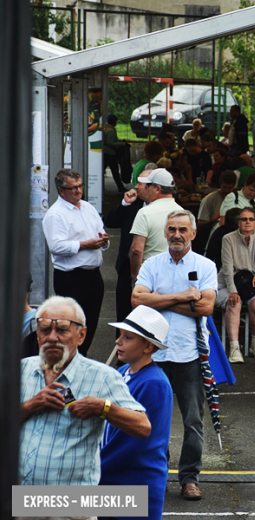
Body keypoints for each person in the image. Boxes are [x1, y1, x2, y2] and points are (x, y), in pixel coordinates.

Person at [131, 210, 218, 500]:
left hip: (190, 355)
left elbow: (206, 307)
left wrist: (159, 302)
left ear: (193, 233)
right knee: (153, 420)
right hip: (154, 356)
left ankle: (189, 478)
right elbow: (136, 300)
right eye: (172, 229)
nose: (177, 234)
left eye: (183, 229)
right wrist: (182, 296)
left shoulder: (205, 265)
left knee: (193, 420)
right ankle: (156, 473)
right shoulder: (152, 264)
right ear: (165, 232)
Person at [20, 296, 150, 486]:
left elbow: (142, 427)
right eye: (45, 329)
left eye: (62, 330)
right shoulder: (20, 369)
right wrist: (32, 404)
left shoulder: (103, 377)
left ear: (81, 335)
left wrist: (103, 408)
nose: (52, 337)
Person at [100, 305, 174, 520]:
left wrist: (91, 468)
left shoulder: (154, 384)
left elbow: (131, 443)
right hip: (113, 478)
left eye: (128, 337)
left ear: (148, 346)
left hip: (134, 481)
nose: (118, 341)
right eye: (120, 335)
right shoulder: (121, 372)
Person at [42, 168, 109, 355]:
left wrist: (103, 241)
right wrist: (85, 245)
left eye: (80, 186)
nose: (78, 191)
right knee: (71, 326)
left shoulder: (88, 207)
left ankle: (82, 358)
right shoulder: (56, 214)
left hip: (94, 275)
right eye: (73, 188)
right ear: (61, 190)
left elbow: (100, 232)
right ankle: (69, 361)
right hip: (71, 278)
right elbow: (56, 247)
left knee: (90, 324)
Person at [218, 207, 255, 363]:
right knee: (234, 303)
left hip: (249, 284)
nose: (247, 222)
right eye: (244, 219)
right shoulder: (228, 239)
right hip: (227, 283)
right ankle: (234, 348)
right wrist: (232, 291)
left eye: (251, 219)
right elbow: (227, 269)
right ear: (239, 222)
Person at [104, 171, 149, 326]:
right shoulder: (133, 203)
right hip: (126, 267)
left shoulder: (164, 209)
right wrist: (124, 203)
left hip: (149, 269)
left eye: (140, 183)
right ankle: (122, 348)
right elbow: (110, 222)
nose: (135, 186)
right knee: (124, 315)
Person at [129, 168, 184, 281]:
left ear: (157, 189)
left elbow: (136, 250)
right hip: (176, 274)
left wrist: (135, 275)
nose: (144, 188)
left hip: (151, 275)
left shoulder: (145, 213)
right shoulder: (183, 213)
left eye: (148, 185)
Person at [218, 172, 255, 237]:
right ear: (245, 184)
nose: (252, 193)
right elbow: (223, 222)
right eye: (250, 190)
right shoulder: (232, 197)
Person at [103, 114, 127, 192]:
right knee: (115, 172)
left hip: (104, 153)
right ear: (114, 122)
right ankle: (121, 188)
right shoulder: (111, 131)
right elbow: (110, 143)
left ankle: (101, 186)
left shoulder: (105, 128)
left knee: (102, 171)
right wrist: (121, 144)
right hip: (110, 154)